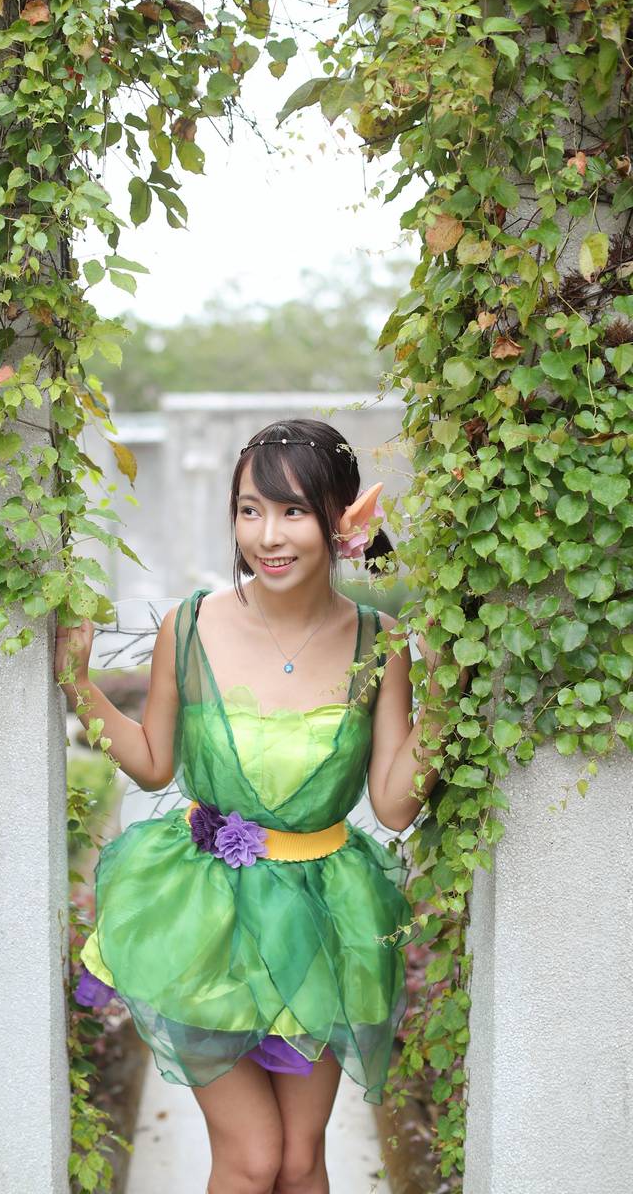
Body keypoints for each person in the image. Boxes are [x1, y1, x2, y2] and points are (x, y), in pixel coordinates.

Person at [55, 418, 468, 1194]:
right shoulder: (190, 625)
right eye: (250, 510)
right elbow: (152, 763)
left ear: (341, 520)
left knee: (301, 1161)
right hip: (206, 916)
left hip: (324, 918)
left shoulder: (378, 641)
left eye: (292, 512)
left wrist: (444, 696)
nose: (267, 536)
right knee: (251, 1159)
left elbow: (393, 803)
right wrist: (77, 685)